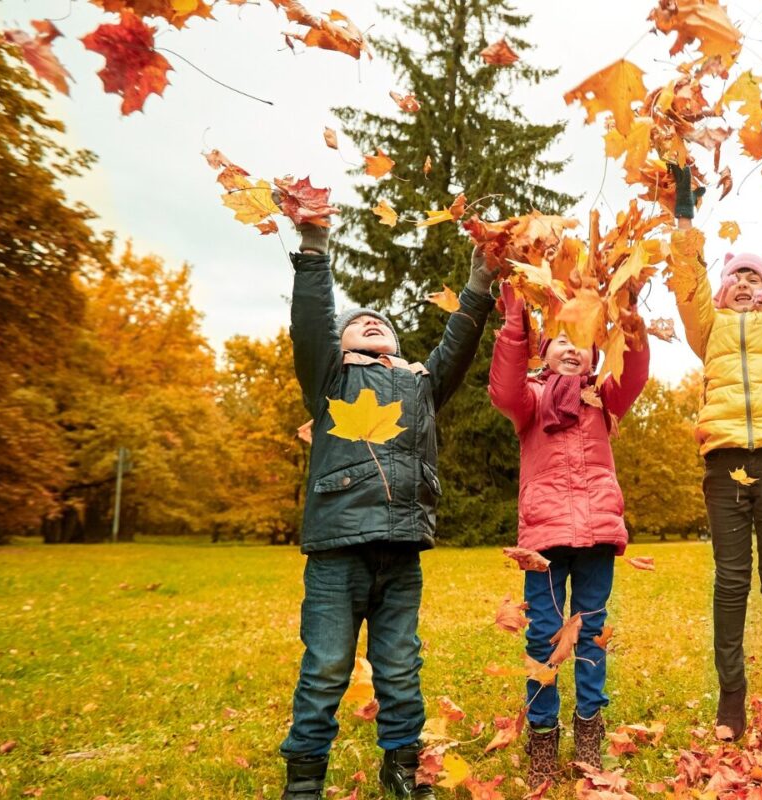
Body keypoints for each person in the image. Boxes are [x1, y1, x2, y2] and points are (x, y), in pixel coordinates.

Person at [278, 220, 496, 800]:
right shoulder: (331, 379)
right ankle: (304, 779)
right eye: (359, 322)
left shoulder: (421, 386)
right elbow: (312, 323)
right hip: (338, 551)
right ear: (341, 344)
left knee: (400, 666)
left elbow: (458, 346)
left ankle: (402, 766)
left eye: (383, 323)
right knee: (327, 666)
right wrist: (314, 252)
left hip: (400, 551)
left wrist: (479, 285)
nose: (372, 321)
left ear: (398, 346)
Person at [664, 143, 762, 738]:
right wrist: (684, 222)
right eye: (737, 277)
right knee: (731, 581)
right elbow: (687, 286)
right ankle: (731, 698)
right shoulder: (709, 329)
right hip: (724, 460)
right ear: (723, 290)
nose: (746, 283)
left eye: (756, 277)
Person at [486, 282, 650, 787]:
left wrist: (630, 319)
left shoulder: (603, 397)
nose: (573, 348)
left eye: (582, 341)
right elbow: (503, 388)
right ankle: (542, 733)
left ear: (596, 354)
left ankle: (588, 728)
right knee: (544, 633)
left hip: (597, 531)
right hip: (545, 537)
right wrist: (515, 320)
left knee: (592, 631)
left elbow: (634, 374)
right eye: (562, 339)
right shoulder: (531, 400)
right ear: (544, 351)